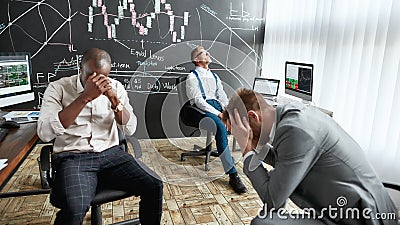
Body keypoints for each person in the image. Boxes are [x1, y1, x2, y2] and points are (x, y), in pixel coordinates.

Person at [223, 88, 398, 225]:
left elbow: (273, 202)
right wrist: (254, 145)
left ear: (253, 117)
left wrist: (247, 150)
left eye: (240, 131)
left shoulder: (295, 131)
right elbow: (286, 162)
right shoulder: (288, 115)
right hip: (339, 208)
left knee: (263, 222)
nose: (239, 137)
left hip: (362, 218)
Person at [37, 48, 163, 225]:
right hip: (74, 157)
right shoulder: (58, 88)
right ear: (80, 69)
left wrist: (114, 100)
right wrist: (84, 98)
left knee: (154, 185)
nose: (97, 82)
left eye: (103, 76)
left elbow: (130, 128)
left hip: (111, 154)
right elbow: (44, 132)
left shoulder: (116, 87)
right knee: (74, 209)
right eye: (91, 76)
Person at [185, 45, 247, 193]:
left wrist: (227, 111)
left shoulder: (214, 76)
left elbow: (222, 96)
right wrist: (219, 115)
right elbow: (199, 101)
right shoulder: (192, 77)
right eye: (203, 53)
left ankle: (252, 161)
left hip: (216, 106)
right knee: (220, 125)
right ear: (196, 59)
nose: (207, 53)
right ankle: (233, 174)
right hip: (198, 110)